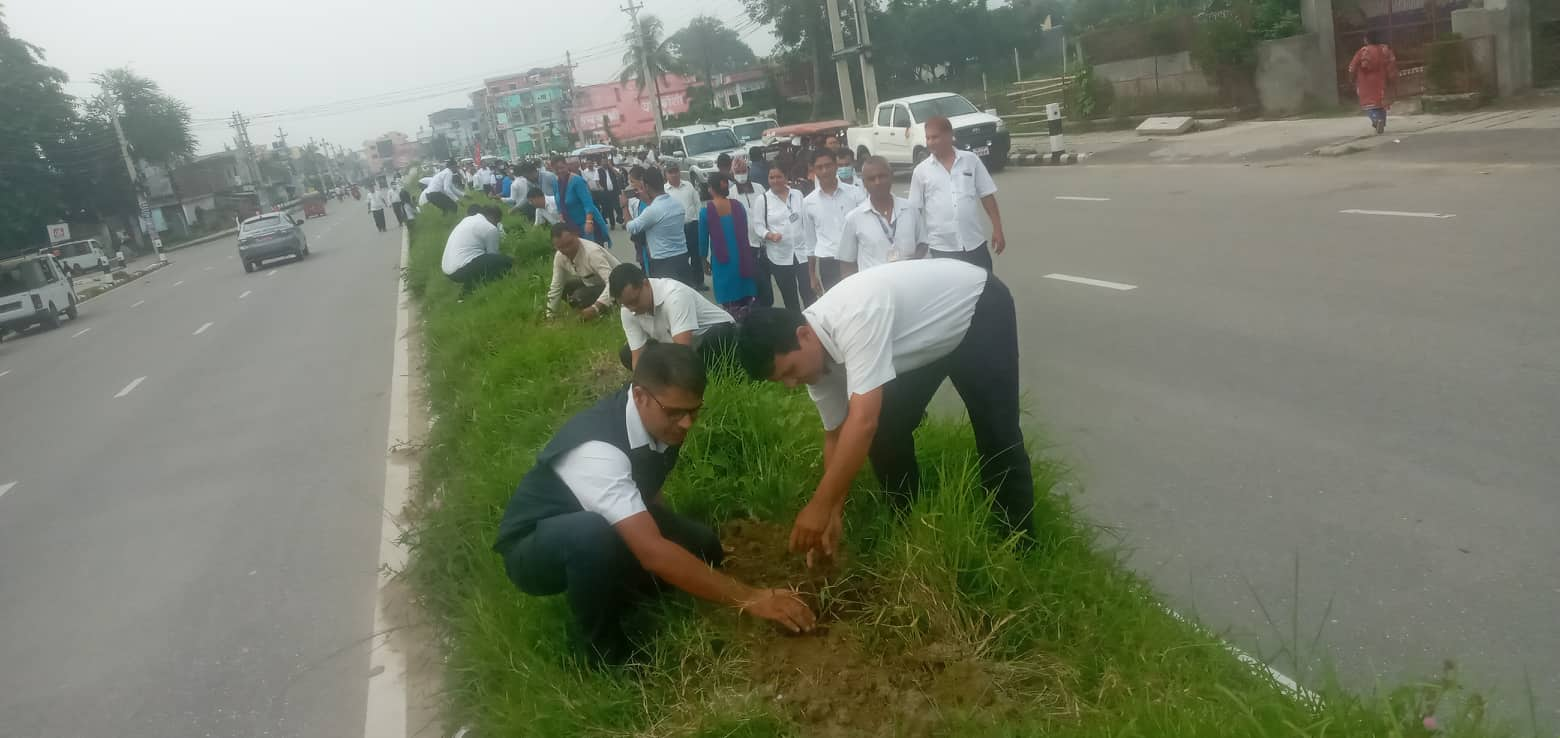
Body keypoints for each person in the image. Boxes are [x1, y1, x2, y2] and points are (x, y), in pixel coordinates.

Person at [491, 343, 816, 665]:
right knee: (593, 536)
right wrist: (750, 597)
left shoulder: (664, 421)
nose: (687, 423)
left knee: (704, 547)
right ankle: (606, 656)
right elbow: (653, 551)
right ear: (640, 396)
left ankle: (619, 585)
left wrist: (672, 543)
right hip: (535, 546)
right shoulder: (598, 451)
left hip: (601, 521)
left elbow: (648, 490)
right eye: (676, 412)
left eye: (694, 410)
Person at [736, 259, 1034, 561]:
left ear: (804, 335)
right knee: (887, 429)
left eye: (790, 371)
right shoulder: (813, 361)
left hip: (976, 309)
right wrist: (833, 511)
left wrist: (819, 506)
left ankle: (1018, 543)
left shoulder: (856, 316)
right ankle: (909, 525)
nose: (791, 384)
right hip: (922, 336)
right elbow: (836, 436)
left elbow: (862, 421)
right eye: (781, 380)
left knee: (998, 433)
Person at [908, 116, 1005, 271]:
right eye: (928, 138)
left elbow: (987, 196)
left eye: (935, 137)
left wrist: (998, 229)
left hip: (974, 244)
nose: (931, 142)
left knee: (985, 288)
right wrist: (916, 244)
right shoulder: (921, 171)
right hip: (941, 248)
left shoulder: (971, 160)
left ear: (949, 136)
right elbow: (914, 210)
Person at [609, 263, 737, 371]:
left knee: (716, 338)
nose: (632, 309)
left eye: (635, 301)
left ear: (646, 284)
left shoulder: (675, 296)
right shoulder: (627, 310)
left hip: (714, 336)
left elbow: (681, 352)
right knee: (628, 354)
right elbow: (637, 354)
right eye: (626, 305)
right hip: (676, 345)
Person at [837, 156, 923, 277]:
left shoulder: (910, 209)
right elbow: (847, 264)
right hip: (874, 289)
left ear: (891, 176)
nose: (878, 182)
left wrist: (911, 266)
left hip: (909, 284)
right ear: (864, 183)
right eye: (871, 179)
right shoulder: (853, 219)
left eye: (882, 176)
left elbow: (923, 244)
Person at [801, 149, 866, 293]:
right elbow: (810, 242)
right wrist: (812, 275)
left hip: (855, 258)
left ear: (835, 165)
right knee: (837, 309)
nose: (825, 171)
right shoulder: (808, 203)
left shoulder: (855, 194)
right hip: (828, 262)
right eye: (819, 167)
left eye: (828, 165)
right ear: (813, 170)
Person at [697, 172, 759, 317]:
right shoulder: (738, 206)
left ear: (710, 189)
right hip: (742, 259)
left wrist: (703, 260)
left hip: (722, 263)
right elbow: (744, 233)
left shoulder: (705, 212)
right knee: (746, 301)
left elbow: (703, 241)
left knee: (730, 304)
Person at [754, 165, 813, 310]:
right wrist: (769, 235)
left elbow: (806, 219)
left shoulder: (797, 194)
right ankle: (796, 327)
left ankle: (814, 326)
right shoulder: (763, 200)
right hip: (779, 255)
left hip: (802, 253)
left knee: (809, 292)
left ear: (786, 177)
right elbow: (758, 226)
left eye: (779, 176)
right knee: (789, 296)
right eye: (771, 177)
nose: (775, 180)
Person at [625, 168, 689, 282]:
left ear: (646, 187)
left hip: (663, 263)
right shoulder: (677, 204)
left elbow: (631, 227)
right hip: (682, 258)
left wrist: (624, 206)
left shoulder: (653, 210)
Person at [546, 223, 621, 320]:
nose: (567, 250)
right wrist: (549, 316)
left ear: (576, 235)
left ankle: (609, 308)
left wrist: (596, 307)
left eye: (570, 243)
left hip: (618, 287)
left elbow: (612, 283)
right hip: (593, 285)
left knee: (580, 296)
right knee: (566, 289)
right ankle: (587, 311)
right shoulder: (559, 256)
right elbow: (556, 287)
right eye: (561, 247)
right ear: (556, 247)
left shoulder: (592, 253)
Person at [729, 157, 772, 307]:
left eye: (743, 171)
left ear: (748, 171)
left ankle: (767, 310)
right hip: (746, 246)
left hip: (765, 243)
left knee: (767, 281)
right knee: (757, 283)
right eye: (737, 172)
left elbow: (768, 210)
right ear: (733, 174)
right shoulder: (731, 194)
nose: (741, 174)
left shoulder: (759, 188)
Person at [441, 205, 512, 295]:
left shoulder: (468, 219)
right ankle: (470, 291)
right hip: (461, 269)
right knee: (505, 263)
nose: (496, 225)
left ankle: (468, 289)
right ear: (493, 217)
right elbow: (493, 256)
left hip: (448, 269)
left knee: (483, 263)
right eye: (497, 222)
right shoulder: (490, 228)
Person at [552, 156, 611, 247]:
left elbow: (588, 204)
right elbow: (559, 204)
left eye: (561, 167)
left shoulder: (577, 181)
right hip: (569, 227)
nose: (559, 171)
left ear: (567, 166)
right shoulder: (555, 182)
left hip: (584, 224)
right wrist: (561, 217)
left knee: (590, 252)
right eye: (556, 169)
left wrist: (589, 222)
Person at [662, 164, 703, 290]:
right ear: (666, 174)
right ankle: (687, 283)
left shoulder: (688, 186)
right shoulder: (664, 190)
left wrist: (698, 220)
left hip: (692, 225)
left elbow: (697, 203)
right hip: (676, 229)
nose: (674, 174)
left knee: (696, 255)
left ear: (679, 172)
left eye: (676, 171)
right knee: (682, 257)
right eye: (670, 172)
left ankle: (699, 282)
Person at [1349, 31, 1399, 134]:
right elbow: (1392, 64)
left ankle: (1376, 120)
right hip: (1381, 81)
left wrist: (1351, 78)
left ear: (1366, 40)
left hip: (1365, 82)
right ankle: (1382, 121)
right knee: (1381, 103)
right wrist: (1392, 79)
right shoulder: (1385, 50)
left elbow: (1352, 67)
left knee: (1369, 105)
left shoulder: (1363, 51)